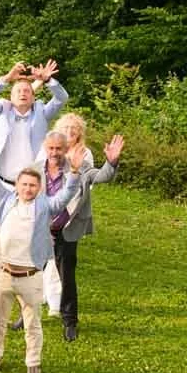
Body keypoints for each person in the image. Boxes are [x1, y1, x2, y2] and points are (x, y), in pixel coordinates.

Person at [0, 134, 82, 373]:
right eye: (24, 184)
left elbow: (66, 195)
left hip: (30, 275)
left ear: (39, 188)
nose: (27, 189)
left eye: (33, 186)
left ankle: (33, 364)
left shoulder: (45, 206)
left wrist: (74, 172)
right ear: (16, 185)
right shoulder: (6, 199)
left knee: (32, 323)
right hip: (3, 273)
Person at [45, 120, 124, 342]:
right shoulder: (38, 167)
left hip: (65, 230)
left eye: (59, 149)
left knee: (66, 276)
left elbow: (101, 176)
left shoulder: (80, 165)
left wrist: (112, 162)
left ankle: (69, 322)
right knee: (33, 272)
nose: (55, 152)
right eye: (52, 148)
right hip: (40, 229)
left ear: (66, 149)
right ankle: (26, 315)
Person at [0, 60, 69, 184]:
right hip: (3, 182)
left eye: (27, 91)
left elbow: (62, 98)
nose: (22, 93)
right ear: (11, 97)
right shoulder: (0, 111)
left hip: (33, 183)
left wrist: (48, 80)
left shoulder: (42, 113)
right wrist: (7, 78)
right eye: (18, 91)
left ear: (33, 98)